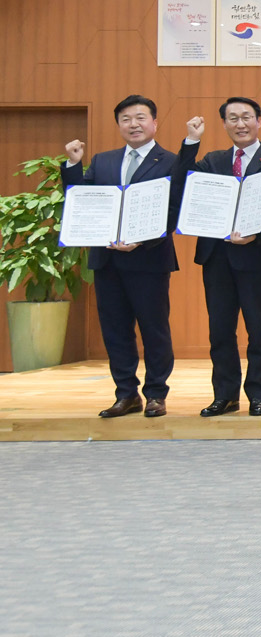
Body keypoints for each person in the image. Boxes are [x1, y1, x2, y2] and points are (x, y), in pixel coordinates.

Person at [62, 94, 180, 418]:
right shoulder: (103, 161)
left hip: (149, 259)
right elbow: (81, 200)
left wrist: (141, 240)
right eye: (126, 119)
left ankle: (156, 393)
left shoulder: (170, 162)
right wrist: (73, 166)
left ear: (154, 122)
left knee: (154, 329)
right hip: (108, 260)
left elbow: (174, 210)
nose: (133, 124)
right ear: (118, 125)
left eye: (140, 118)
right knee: (115, 330)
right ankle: (126, 394)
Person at [174, 97, 261, 417]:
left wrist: (258, 233)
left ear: (259, 121)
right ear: (223, 124)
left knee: (258, 330)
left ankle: (258, 395)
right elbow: (184, 184)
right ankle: (225, 395)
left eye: (246, 117)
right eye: (233, 118)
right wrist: (191, 141)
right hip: (217, 257)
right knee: (220, 330)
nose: (240, 124)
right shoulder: (213, 160)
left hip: (256, 256)